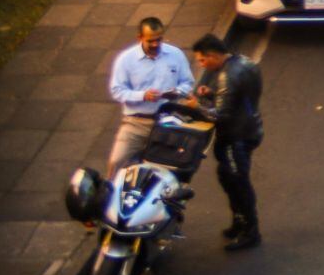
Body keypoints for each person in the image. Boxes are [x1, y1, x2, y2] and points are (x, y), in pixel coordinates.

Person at [192, 33, 263, 251]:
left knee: (237, 182)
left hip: (235, 136)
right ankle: (240, 220)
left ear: (213, 56)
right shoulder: (245, 62)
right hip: (249, 128)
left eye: (202, 60)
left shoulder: (227, 77)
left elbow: (219, 115)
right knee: (227, 177)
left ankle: (250, 230)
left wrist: (196, 106)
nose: (202, 65)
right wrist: (214, 94)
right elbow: (239, 99)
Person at [106, 17, 195, 174]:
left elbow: (187, 82)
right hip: (135, 123)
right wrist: (142, 95)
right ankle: (111, 196)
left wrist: (177, 92)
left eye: (159, 39)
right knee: (116, 162)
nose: (155, 44)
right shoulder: (126, 60)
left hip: (166, 121)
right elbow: (117, 90)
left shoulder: (175, 55)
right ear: (140, 38)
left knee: (170, 169)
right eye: (151, 41)